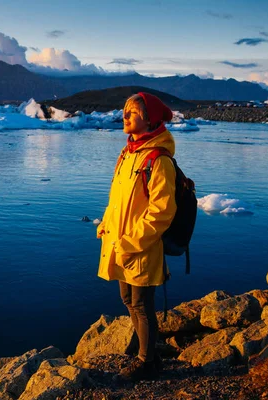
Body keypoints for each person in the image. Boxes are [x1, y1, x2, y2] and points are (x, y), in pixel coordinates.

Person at [96, 92, 176, 380]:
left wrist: (134, 242)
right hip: (120, 241)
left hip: (141, 245)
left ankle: (147, 362)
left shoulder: (158, 160)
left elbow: (162, 211)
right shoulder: (128, 154)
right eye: (125, 111)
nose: (125, 117)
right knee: (128, 299)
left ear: (149, 119)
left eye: (132, 112)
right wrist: (105, 222)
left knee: (142, 304)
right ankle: (148, 349)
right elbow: (116, 196)